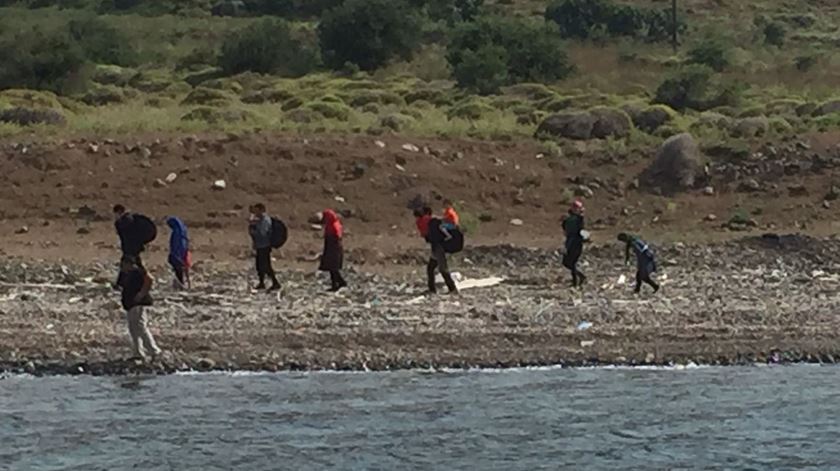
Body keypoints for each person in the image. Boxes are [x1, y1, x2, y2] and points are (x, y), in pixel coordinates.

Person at [116, 255, 161, 360]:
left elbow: (150, 280)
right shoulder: (124, 273)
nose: (123, 266)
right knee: (133, 327)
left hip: (138, 302)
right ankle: (138, 352)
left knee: (140, 326)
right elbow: (120, 285)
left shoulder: (138, 272)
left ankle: (154, 350)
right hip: (129, 302)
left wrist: (141, 294)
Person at [415, 206, 458, 295]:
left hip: (438, 246)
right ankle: (437, 289)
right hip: (439, 245)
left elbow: (425, 234)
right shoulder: (432, 221)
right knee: (433, 268)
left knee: (440, 268)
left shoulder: (422, 221)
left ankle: (451, 289)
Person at [248, 203, 280, 291]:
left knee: (266, 265)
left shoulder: (265, 220)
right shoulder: (260, 220)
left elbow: (263, 233)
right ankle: (261, 282)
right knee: (259, 265)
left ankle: (275, 282)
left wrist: (254, 230)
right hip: (260, 245)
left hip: (264, 246)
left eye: (257, 210)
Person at [319, 209, 347, 292]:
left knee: (333, 268)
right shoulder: (335, 224)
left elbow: (334, 238)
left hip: (333, 249)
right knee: (332, 268)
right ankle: (338, 283)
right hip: (334, 248)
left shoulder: (332, 226)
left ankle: (339, 283)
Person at [562, 200, 587, 288]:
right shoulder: (570, 219)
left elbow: (581, 230)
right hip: (570, 242)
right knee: (568, 262)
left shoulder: (578, 219)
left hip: (576, 242)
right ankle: (579, 278)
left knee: (571, 262)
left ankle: (576, 281)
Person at [166, 216, 191, 290]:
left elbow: (174, 245)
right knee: (180, 272)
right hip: (182, 255)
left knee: (178, 272)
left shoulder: (176, 233)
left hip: (176, 256)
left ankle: (180, 286)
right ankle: (184, 285)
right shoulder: (183, 232)